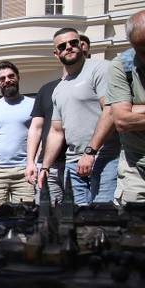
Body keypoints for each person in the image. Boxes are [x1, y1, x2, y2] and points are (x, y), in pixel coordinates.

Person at [37, 28, 120, 205]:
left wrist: (90, 152)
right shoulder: (59, 89)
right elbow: (56, 132)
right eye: (62, 46)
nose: (68, 47)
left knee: (103, 215)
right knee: (76, 218)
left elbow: (111, 110)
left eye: (73, 42)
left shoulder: (101, 68)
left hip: (104, 158)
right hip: (73, 164)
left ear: (81, 45)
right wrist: (45, 167)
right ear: (56, 53)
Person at [109, 8, 145, 203]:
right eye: (142, 51)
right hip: (138, 172)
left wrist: (139, 110)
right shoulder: (122, 66)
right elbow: (122, 120)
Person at [0, 61, 35, 209]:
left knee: (26, 217)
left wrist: (35, 165)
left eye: (11, 76)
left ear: (18, 77)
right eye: (2, 78)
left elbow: (39, 137)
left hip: (24, 172)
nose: (7, 80)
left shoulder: (33, 104)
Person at [25, 77, 65, 203]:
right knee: (46, 212)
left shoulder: (86, 82)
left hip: (76, 160)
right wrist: (30, 162)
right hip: (47, 165)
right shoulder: (46, 89)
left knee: (82, 211)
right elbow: (36, 127)